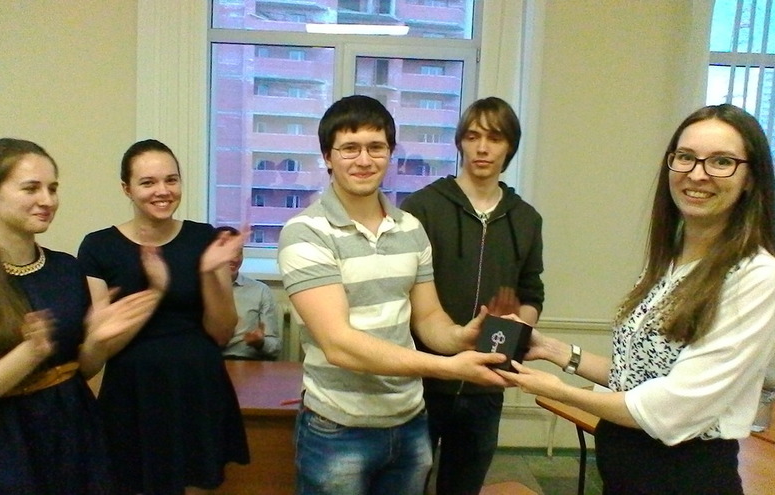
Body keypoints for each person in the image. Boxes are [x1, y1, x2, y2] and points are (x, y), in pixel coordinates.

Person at [500, 104, 775, 494]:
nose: (697, 174)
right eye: (685, 157)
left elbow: (668, 410)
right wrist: (552, 349)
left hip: (683, 479)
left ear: (750, 178)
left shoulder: (756, 275)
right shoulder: (671, 259)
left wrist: (556, 390)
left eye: (721, 162)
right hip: (627, 472)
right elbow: (637, 376)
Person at [277, 94, 509, 495]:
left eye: (376, 147)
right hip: (338, 427)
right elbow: (339, 344)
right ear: (328, 157)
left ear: (390, 153)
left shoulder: (410, 229)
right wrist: (449, 368)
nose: (364, 160)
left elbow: (429, 319)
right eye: (350, 148)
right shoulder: (305, 233)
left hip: (410, 422)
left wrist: (462, 336)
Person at [0, 138, 162, 494]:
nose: (48, 200)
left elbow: (80, 369)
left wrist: (98, 341)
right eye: (31, 188)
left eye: (52, 188)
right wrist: (28, 354)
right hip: (1, 447)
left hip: (72, 432)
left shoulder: (66, 268)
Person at [77, 139, 249, 495]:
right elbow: (99, 349)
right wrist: (156, 290)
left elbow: (221, 332)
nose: (163, 191)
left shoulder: (205, 238)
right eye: (148, 182)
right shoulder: (98, 246)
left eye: (172, 180)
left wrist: (207, 273)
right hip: (133, 395)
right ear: (126, 188)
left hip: (197, 388)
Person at [400, 96, 544, 495]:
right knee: (407, 485)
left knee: (463, 487)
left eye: (494, 138)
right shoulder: (421, 208)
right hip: (423, 378)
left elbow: (532, 291)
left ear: (509, 146)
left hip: (486, 383)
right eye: (473, 136)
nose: (482, 148)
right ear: (460, 142)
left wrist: (518, 324)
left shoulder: (526, 219)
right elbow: (402, 289)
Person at [218, 226, 283, 361]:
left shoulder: (260, 291)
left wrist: (260, 343)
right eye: (228, 252)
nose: (235, 259)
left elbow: (275, 347)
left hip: (245, 362)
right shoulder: (195, 289)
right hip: (206, 363)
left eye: (239, 252)